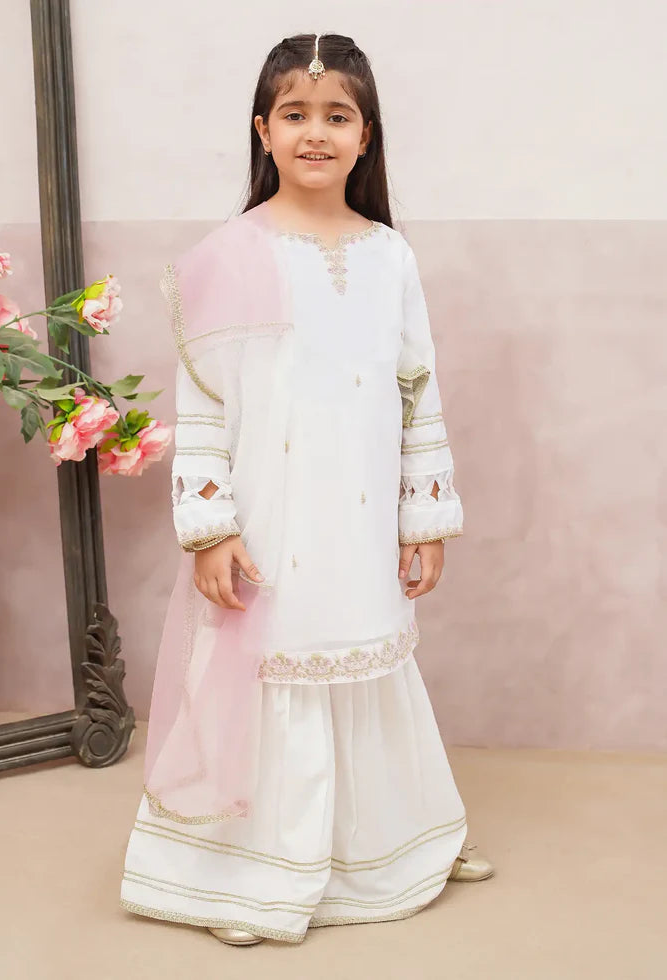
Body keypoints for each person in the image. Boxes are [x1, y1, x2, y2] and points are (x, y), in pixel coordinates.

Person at [120, 31, 493, 947]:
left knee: (365, 653)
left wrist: (423, 515)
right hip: (271, 517)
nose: (315, 132)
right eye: (295, 114)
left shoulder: (389, 256)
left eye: (337, 116)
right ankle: (252, 880)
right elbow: (203, 403)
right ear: (264, 131)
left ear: (366, 137)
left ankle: (402, 846)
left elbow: (417, 391)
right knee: (276, 661)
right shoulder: (229, 255)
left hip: (360, 517)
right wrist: (211, 528)